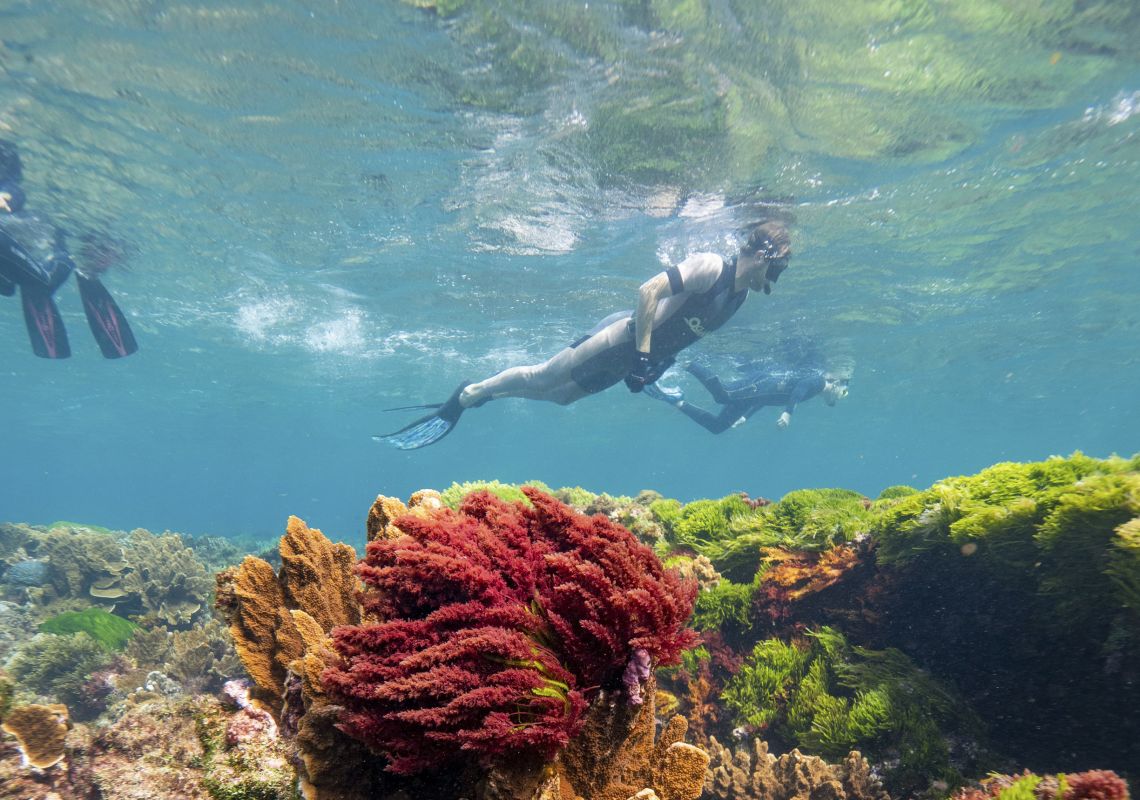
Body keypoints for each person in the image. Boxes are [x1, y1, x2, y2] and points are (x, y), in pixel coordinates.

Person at [377, 220, 793, 449]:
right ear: (760, 255)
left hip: (637, 360)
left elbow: (686, 332)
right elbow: (648, 291)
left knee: (562, 397)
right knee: (542, 377)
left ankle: (488, 394)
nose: (774, 278)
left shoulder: (739, 298)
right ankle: (470, 392)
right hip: (621, 339)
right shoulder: (710, 267)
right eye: (776, 268)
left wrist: (655, 366)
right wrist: (646, 354)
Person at [0, 140, 137, 359]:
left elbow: (11, 185)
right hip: (15, 247)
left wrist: (7, 196)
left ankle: (78, 264)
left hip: (26, 232)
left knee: (40, 279)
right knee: (26, 281)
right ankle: (77, 266)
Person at [643, 360, 849, 434]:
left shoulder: (815, 390)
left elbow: (766, 399)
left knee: (718, 426)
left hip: (757, 394)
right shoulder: (819, 381)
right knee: (723, 395)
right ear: (838, 384)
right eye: (844, 392)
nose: (840, 397)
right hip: (759, 384)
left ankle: (676, 400)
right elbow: (799, 389)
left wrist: (746, 417)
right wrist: (788, 413)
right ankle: (690, 363)